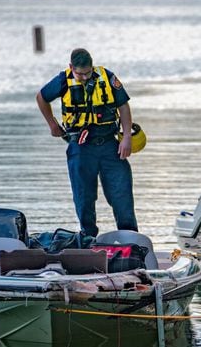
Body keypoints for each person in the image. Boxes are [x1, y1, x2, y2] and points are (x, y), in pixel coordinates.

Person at [36, 48, 138, 238]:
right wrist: (52, 124)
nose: (83, 77)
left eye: (87, 73)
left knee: (121, 195)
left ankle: (131, 240)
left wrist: (126, 138)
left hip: (110, 146)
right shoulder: (63, 80)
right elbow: (41, 97)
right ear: (71, 67)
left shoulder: (107, 77)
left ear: (92, 67)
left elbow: (123, 105)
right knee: (84, 198)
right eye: (79, 74)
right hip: (80, 148)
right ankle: (88, 239)